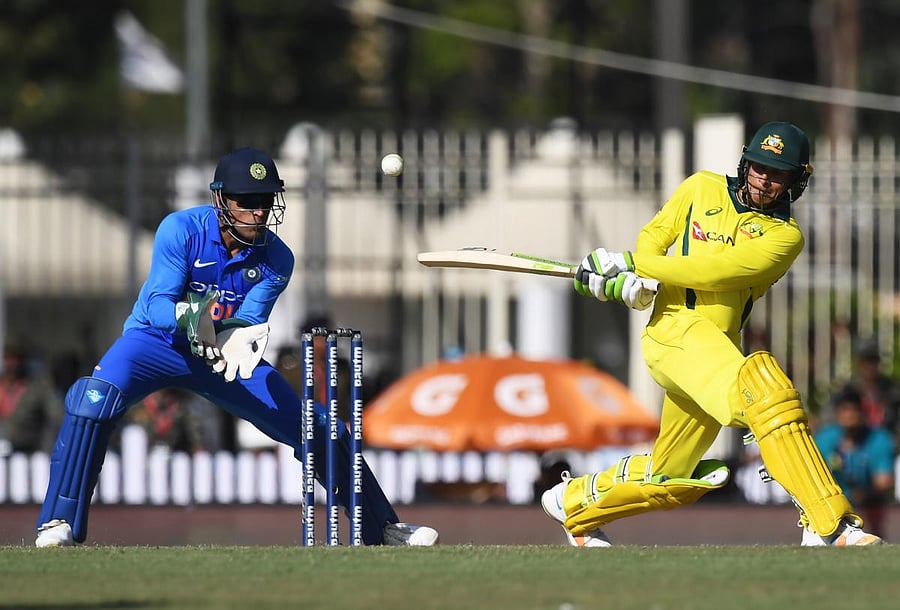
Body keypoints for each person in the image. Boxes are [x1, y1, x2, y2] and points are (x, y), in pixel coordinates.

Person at [35, 147, 438, 548]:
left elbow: (248, 320)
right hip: (155, 342)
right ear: (220, 198)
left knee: (314, 425)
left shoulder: (277, 258)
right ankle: (58, 523)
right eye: (246, 201)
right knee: (93, 400)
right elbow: (158, 306)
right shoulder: (181, 230)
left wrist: (237, 337)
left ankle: (382, 527)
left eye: (264, 201)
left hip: (221, 354)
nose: (258, 212)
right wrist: (194, 321)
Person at [541, 121, 883, 547]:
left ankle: (573, 504)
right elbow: (654, 236)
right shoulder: (700, 187)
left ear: (797, 181)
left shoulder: (784, 237)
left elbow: (714, 272)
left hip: (715, 351)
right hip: (673, 335)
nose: (764, 179)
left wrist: (635, 265)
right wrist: (633, 284)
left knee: (672, 475)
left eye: (778, 174)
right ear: (745, 162)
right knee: (768, 393)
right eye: (759, 167)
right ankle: (831, 524)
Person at [814, 387, 894, 539]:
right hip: (831, 504)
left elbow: (884, 482)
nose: (849, 415)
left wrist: (862, 495)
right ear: (837, 413)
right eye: (845, 409)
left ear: (863, 413)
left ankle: (873, 537)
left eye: (854, 410)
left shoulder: (878, 439)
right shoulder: (825, 439)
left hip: (867, 503)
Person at [0, 345, 64, 454]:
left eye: (14, 359)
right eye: (7, 358)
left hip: (27, 452)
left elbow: (57, 412)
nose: (10, 364)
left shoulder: (36, 388)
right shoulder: (2, 386)